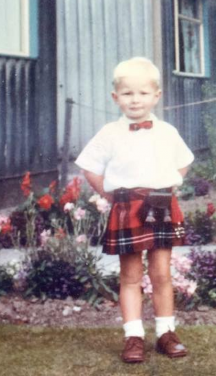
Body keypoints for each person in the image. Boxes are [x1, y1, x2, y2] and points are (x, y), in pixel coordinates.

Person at [75, 57, 194, 363]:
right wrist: (109, 194)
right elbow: (89, 167)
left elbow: (184, 161)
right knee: (129, 276)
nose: (135, 99)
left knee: (161, 273)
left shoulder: (166, 131)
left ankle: (166, 333)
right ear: (115, 98)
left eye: (143, 93)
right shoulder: (109, 133)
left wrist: (170, 184)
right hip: (127, 206)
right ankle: (133, 337)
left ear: (157, 95)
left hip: (160, 206)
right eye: (127, 93)